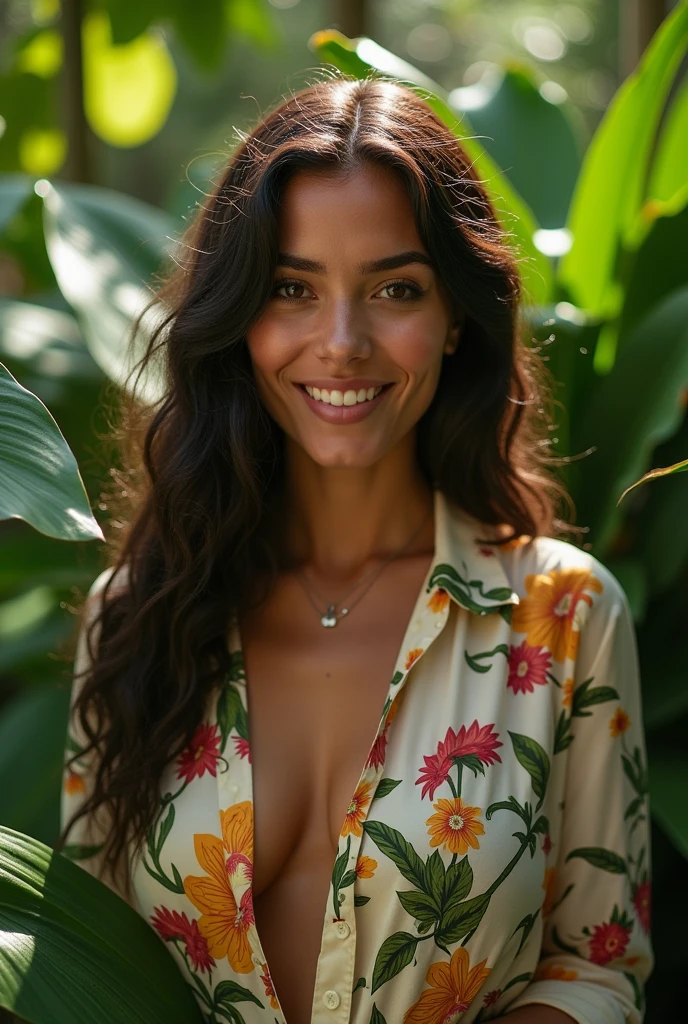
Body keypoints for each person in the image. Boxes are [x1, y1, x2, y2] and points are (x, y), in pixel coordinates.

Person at [57, 76, 653, 1024]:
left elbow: (599, 963)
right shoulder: (135, 617)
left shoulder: (566, 617)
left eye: (396, 289)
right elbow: (77, 975)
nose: (341, 342)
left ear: (457, 318)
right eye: (292, 288)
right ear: (239, 317)